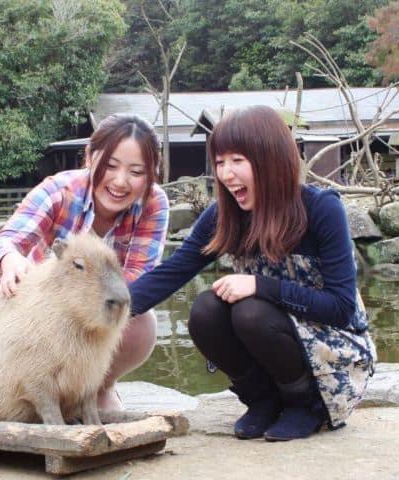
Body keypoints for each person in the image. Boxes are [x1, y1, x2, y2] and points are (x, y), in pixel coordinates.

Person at [129, 105, 376, 441]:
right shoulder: (225, 215)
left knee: (251, 311)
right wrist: (106, 310)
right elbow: (173, 271)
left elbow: (340, 308)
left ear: (270, 159)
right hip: (275, 336)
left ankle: (303, 406)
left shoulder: (320, 208)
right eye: (220, 162)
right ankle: (263, 400)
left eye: (237, 161)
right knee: (206, 309)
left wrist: (260, 284)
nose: (227, 173)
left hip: (331, 355)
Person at [0, 113, 169, 412]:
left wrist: (90, 300)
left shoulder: (154, 202)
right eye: (110, 166)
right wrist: (10, 260)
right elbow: (5, 242)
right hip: (39, 315)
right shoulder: (58, 190)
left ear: (151, 174)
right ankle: (38, 392)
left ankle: (97, 387)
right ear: (89, 157)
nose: (120, 182)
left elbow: (140, 275)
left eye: (137, 171)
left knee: (141, 321)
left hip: (98, 311)